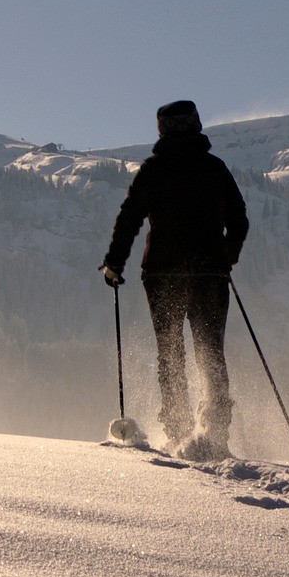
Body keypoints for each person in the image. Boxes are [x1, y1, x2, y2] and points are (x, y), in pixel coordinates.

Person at [101, 100, 249, 459]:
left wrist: (114, 264)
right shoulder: (214, 169)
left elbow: (129, 218)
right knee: (210, 351)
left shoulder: (153, 171)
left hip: (162, 274)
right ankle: (215, 435)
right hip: (210, 274)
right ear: (196, 126)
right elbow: (239, 220)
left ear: (162, 130)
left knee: (170, 352)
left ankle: (179, 431)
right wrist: (226, 256)